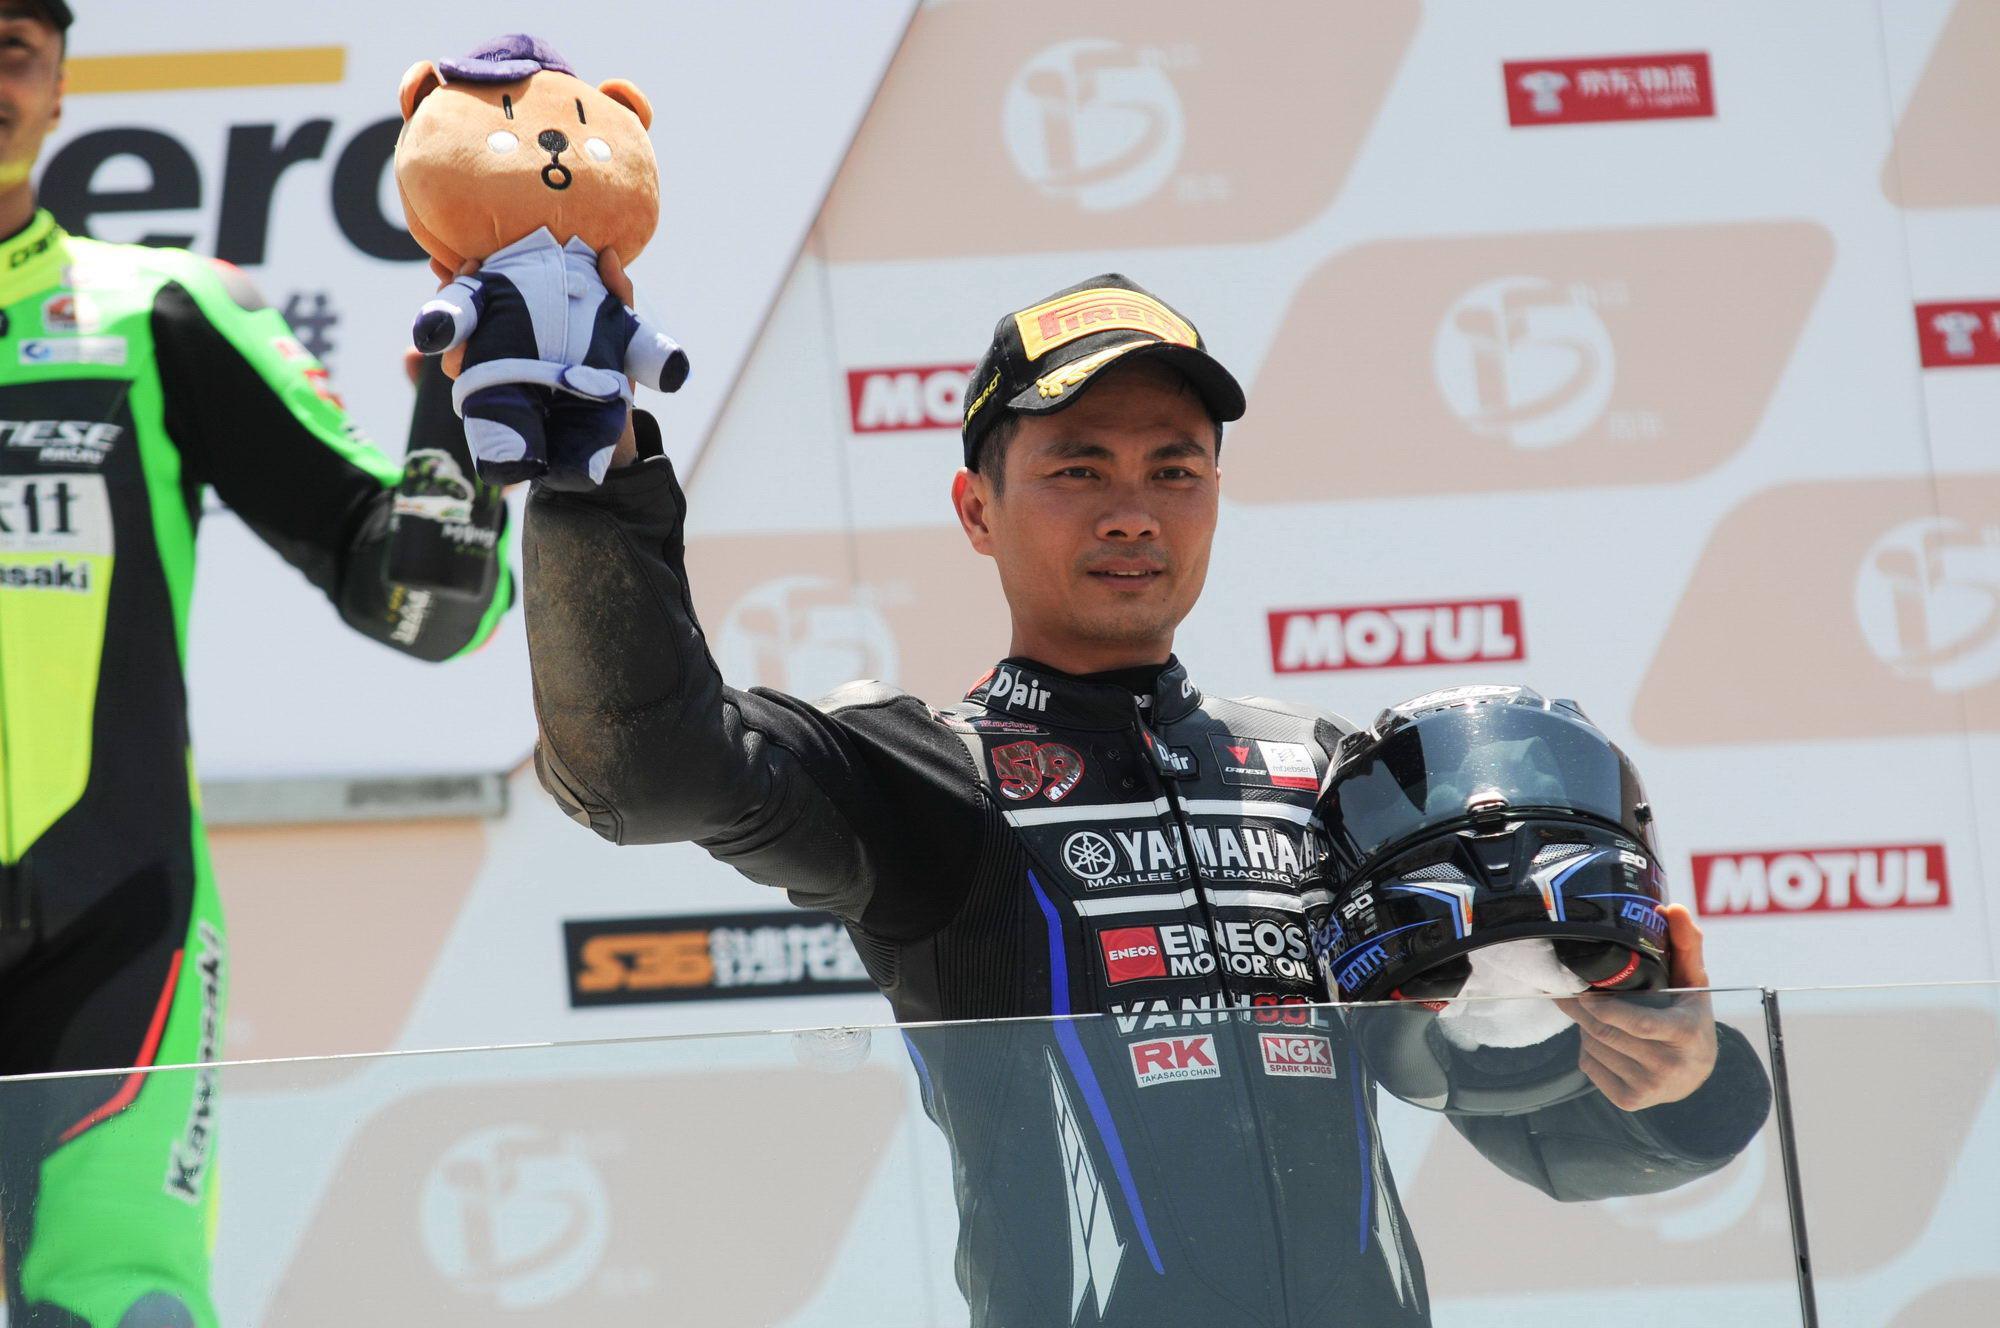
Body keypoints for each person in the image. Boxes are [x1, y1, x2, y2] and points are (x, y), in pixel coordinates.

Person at [523, 268, 1771, 1325]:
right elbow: (637, 765)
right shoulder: (920, 772)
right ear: (975, 509)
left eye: (1174, 469)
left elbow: (1531, 1120)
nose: (1131, 511)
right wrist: (593, 473)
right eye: (1077, 468)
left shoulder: (1335, 780)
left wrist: (1677, 1074)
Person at [0, 5, 512, 1326]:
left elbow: (420, 603)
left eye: (13, 45)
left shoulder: (162, 311)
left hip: (118, 924)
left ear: (60, 86)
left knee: (122, 1306)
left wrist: (458, 415)